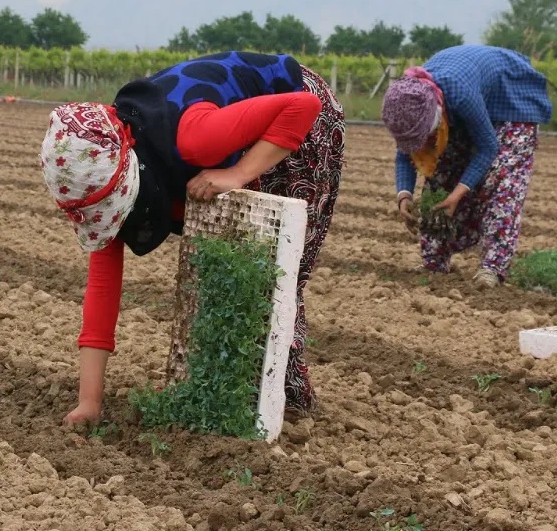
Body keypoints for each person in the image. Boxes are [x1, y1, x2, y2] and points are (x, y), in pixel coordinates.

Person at [39, 51, 345, 425]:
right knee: (223, 257)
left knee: (275, 264)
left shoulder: (196, 140)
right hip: (230, 126)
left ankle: (281, 400)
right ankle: (219, 392)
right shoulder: (117, 166)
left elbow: (302, 107)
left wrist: (238, 173)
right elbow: (102, 290)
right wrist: (89, 402)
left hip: (300, 109)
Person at [381, 45, 553, 287]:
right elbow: (405, 154)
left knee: (502, 180)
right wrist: (404, 195)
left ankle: (492, 267)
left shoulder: (459, 95)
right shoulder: (407, 103)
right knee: (442, 173)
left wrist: (458, 194)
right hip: (472, 97)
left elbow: (487, 148)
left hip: (512, 102)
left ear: (437, 117)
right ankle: (434, 262)